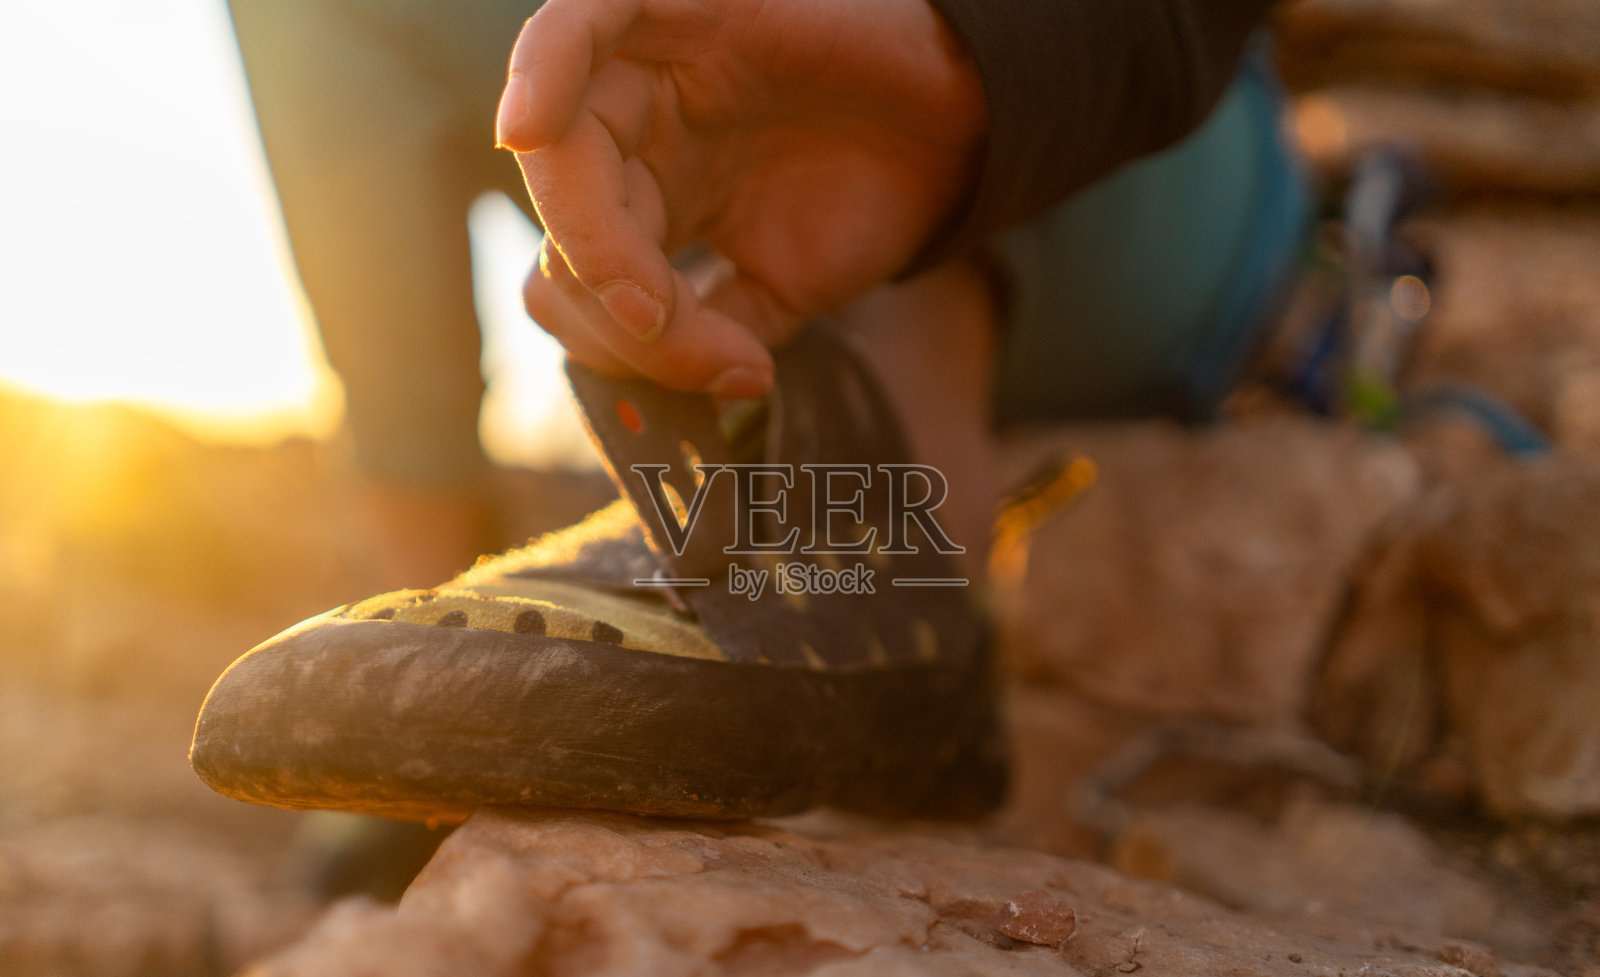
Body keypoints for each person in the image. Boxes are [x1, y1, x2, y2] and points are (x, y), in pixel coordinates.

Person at [196, 0, 1308, 830]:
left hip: (1133, 141)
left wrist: (957, 38)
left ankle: (890, 521)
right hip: (787, 198)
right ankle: (419, 654)